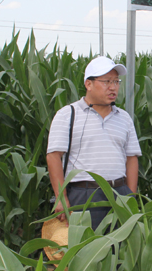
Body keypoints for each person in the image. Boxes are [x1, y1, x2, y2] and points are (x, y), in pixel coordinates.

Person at [46, 56, 141, 230]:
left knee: (119, 251)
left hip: (119, 194)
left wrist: (131, 196)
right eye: (106, 82)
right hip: (84, 195)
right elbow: (53, 156)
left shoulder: (124, 118)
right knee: (85, 251)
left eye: (116, 81)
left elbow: (132, 158)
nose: (113, 87)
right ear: (88, 84)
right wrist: (61, 197)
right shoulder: (67, 114)